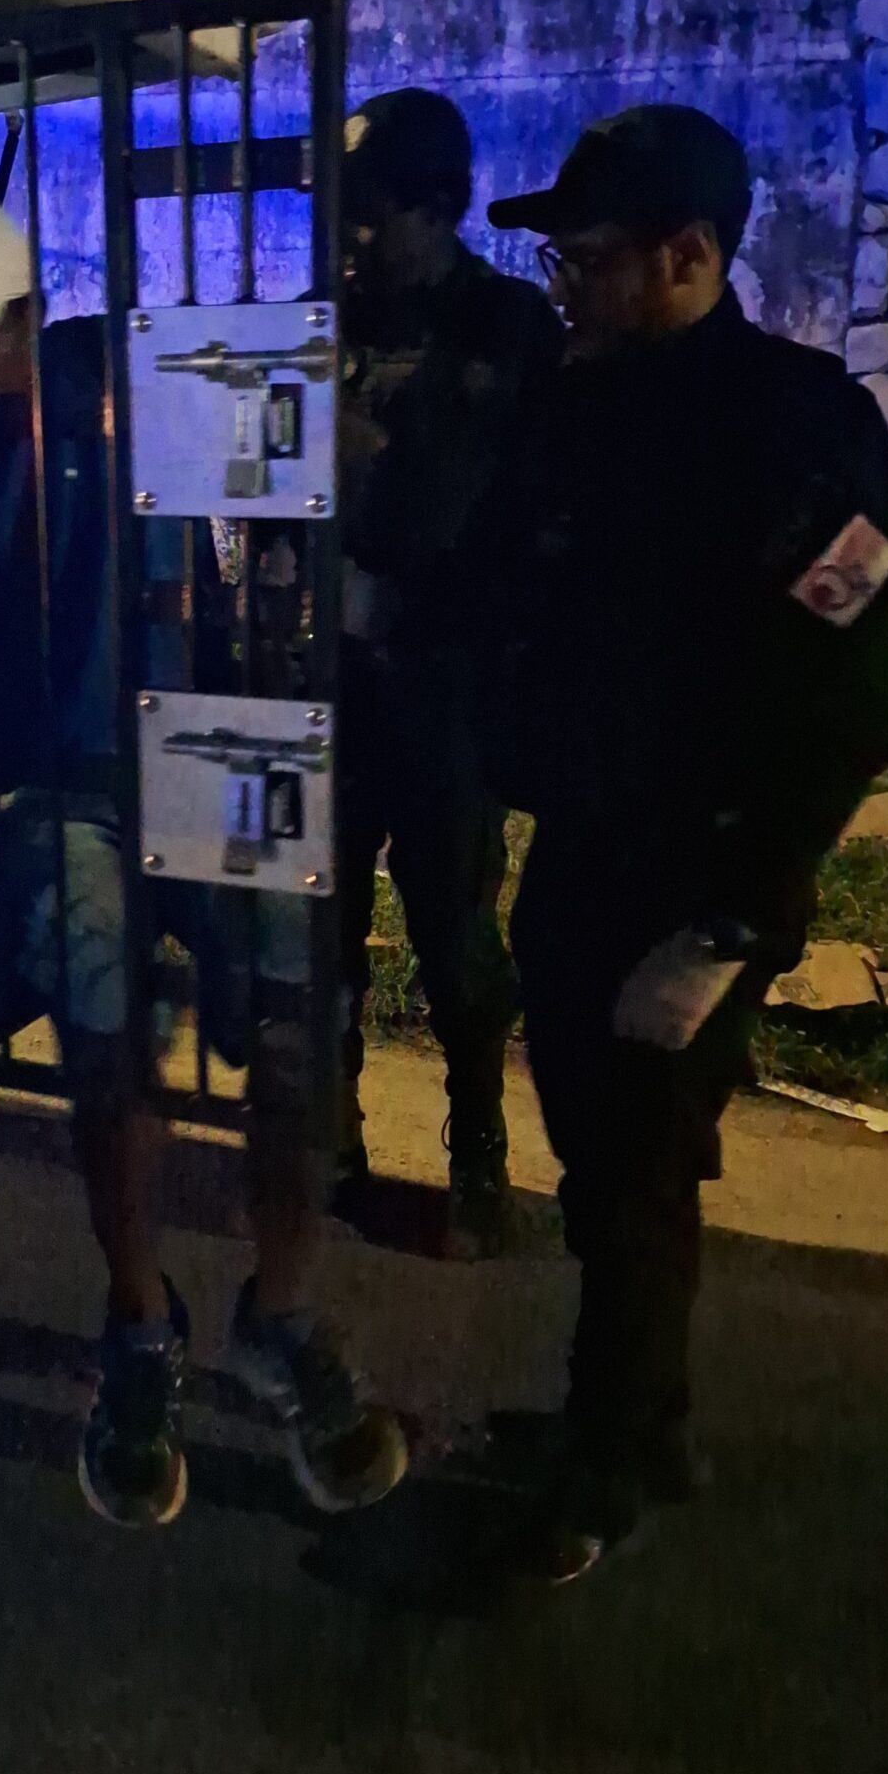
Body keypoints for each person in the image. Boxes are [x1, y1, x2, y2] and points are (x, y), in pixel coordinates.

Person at [0, 186, 408, 1533]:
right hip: (46, 780)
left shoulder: (128, 382)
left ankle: (282, 1316)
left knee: (300, 1019)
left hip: (206, 736)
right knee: (103, 1018)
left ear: (22, 323)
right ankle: (137, 1324)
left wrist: (304, 401)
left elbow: (331, 444)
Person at [474, 104, 888, 1573]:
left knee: (638, 1170)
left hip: (696, 875)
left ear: (687, 255)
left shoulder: (794, 428)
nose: (565, 285)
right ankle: (635, 1423)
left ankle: (604, 1471)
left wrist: (734, 919)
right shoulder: (580, 400)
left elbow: (848, 702)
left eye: (588, 257)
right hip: (585, 849)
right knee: (603, 1160)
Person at [333, 90, 563, 1255]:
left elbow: (547, 509)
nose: (352, 235)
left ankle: (477, 1149)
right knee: (317, 927)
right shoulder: (321, 322)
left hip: (447, 686)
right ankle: (328, 1146)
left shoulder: (508, 329)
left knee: (457, 939)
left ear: (439, 207)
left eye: (372, 213)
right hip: (330, 680)